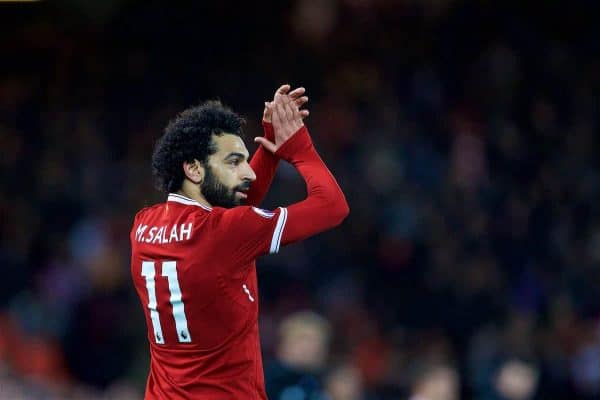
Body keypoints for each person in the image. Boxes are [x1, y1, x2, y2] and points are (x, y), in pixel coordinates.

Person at [129, 84, 349, 399]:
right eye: (233, 162)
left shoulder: (143, 226)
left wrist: (271, 144)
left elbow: (234, 219)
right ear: (193, 168)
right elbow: (333, 206)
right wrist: (298, 147)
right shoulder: (225, 232)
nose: (248, 173)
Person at [265, 311, 332, 400]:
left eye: (315, 342)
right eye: (303, 339)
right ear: (283, 344)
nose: (309, 348)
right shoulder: (264, 380)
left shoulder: (329, 384)